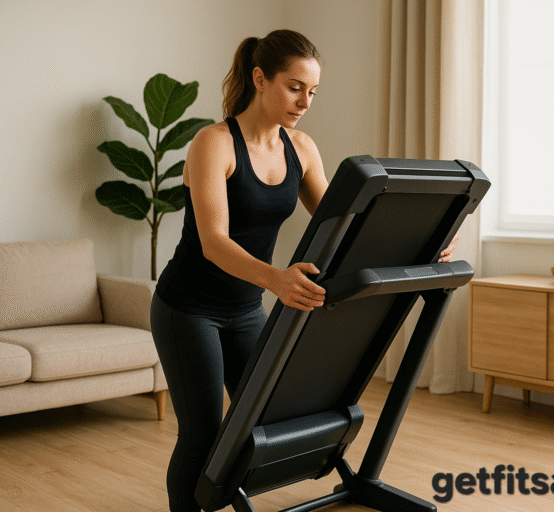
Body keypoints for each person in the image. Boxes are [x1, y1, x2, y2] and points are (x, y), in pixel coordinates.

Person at [150, 29, 458, 512]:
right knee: (204, 430)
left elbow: (348, 228)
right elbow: (213, 243)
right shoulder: (214, 144)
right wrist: (276, 278)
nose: (305, 101)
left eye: (312, 92)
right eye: (294, 87)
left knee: (266, 420)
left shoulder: (301, 148)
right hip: (188, 309)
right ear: (260, 78)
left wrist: (421, 250)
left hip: (245, 309)